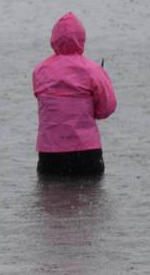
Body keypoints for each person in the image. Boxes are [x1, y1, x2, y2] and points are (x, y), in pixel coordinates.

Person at [33, 12, 117, 177]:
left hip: (50, 153)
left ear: (53, 39)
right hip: (86, 152)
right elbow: (106, 108)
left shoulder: (39, 70)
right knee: (90, 200)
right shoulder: (93, 69)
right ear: (82, 39)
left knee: (50, 201)